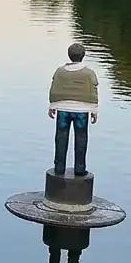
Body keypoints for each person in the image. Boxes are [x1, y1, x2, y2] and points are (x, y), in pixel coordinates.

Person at [48, 43, 99, 177]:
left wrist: (52, 106)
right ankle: (80, 169)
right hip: (82, 111)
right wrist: (94, 110)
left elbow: (54, 89)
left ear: (69, 55)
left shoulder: (60, 71)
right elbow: (93, 92)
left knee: (60, 137)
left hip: (63, 110)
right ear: (83, 55)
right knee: (81, 138)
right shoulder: (89, 73)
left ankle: (59, 167)